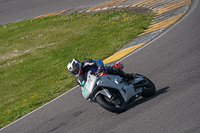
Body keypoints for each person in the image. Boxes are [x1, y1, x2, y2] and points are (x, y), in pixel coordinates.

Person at [67, 58, 134, 85]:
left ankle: (129, 76)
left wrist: (100, 67)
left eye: (75, 69)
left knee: (114, 69)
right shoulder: (78, 79)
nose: (75, 72)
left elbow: (97, 62)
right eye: (74, 72)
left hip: (102, 72)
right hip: (96, 82)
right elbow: (83, 87)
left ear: (78, 65)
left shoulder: (85, 63)